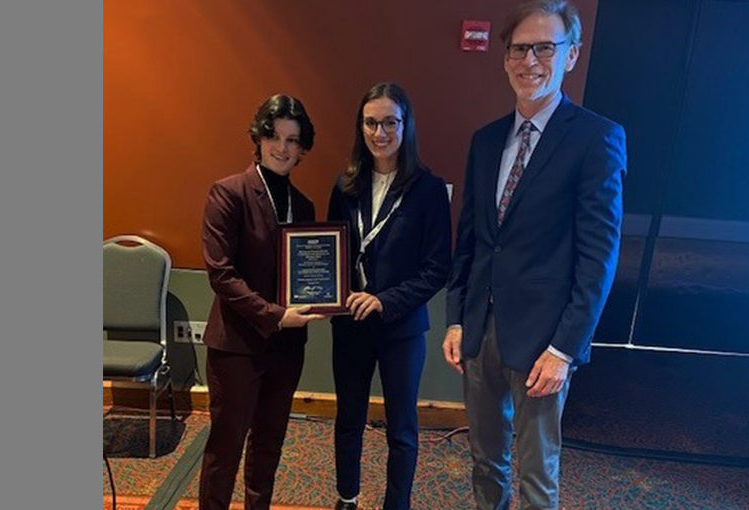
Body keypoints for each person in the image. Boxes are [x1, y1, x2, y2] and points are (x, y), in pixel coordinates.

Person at [442, 1, 628, 508]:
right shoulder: (485, 141)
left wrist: (566, 350)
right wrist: (457, 319)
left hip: (545, 343)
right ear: (505, 58)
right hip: (481, 330)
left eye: (545, 47)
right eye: (520, 48)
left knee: (537, 472)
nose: (530, 61)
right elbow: (472, 242)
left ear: (570, 56)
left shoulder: (596, 139)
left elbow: (599, 259)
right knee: (485, 461)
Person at [327, 82, 452, 510]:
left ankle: (396, 504)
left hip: (401, 327)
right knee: (348, 420)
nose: (380, 132)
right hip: (351, 325)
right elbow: (331, 254)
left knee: (402, 427)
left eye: (390, 122)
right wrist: (330, 293)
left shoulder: (428, 190)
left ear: (406, 125)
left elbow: (438, 268)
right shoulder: (344, 187)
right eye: (371, 123)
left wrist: (385, 300)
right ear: (360, 127)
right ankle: (347, 497)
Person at [199, 94, 326, 510]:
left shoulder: (303, 205)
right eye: (273, 136)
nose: (282, 148)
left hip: (287, 350)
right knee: (226, 449)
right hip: (237, 345)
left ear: (302, 148)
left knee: (269, 445)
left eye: (292, 140)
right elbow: (221, 274)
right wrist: (274, 315)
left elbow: (310, 272)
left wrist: (324, 297)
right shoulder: (228, 193)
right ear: (258, 137)